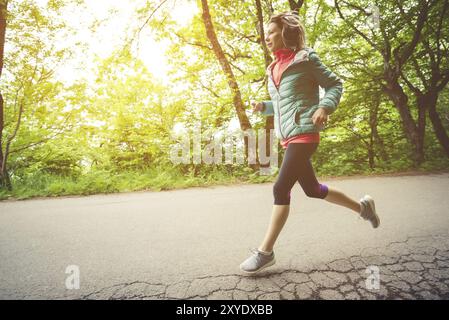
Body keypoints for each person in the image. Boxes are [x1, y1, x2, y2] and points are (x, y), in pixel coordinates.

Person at [240, 12, 380, 275]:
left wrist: (325, 107)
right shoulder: (273, 69)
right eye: (266, 33)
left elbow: (335, 84)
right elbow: (284, 105)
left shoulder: (306, 59)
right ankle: (363, 208)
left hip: (305, 134)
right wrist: (264, 107)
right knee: (313, 189)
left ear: (285, 33)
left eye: (271, 32)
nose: (267, 37)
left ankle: (265, 252)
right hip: (289, 136)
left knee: (281, 188)